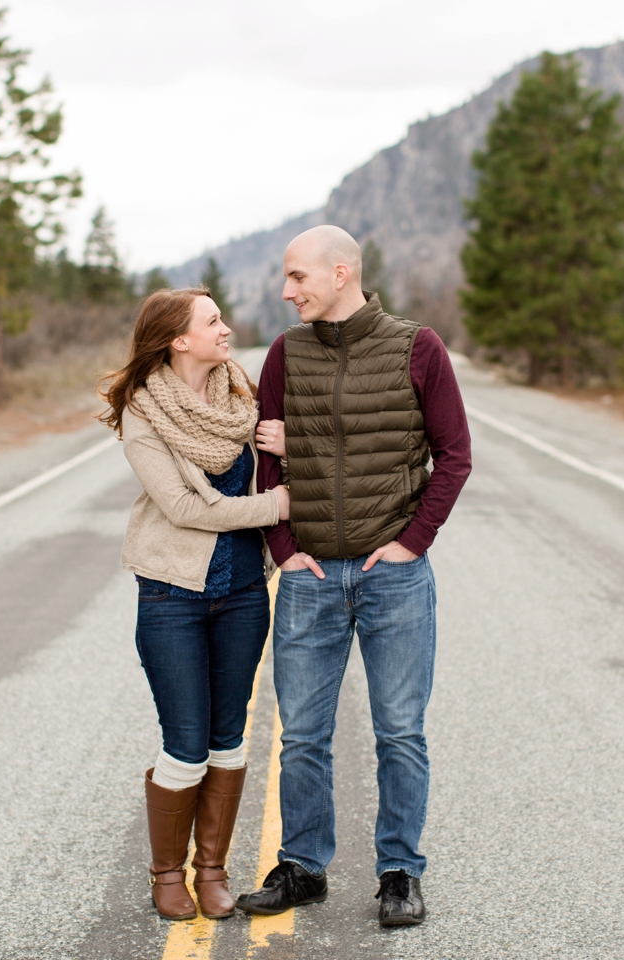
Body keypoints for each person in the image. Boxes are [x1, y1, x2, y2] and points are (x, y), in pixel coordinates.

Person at [235, 226, 472, 927]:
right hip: (309, 574)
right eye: (285, 278)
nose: (287, 291)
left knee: (400, 730)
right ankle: (303, 867)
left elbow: (453, 456)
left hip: (392, 576)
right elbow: (268, 457)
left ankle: (400, 871)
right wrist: (282, 548)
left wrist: (413, 543)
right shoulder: (286, 353)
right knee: (301, 734)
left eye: (298, 277)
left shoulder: (417, 348)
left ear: (341, 273)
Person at [99, 286, 291, 922]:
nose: (226, 329)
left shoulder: (243, 399)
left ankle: (212, 869)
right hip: (171, 596)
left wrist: (287, 453)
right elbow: (182, 509)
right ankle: (165, 873)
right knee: (184, 743)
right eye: (212, 322)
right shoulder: (143, 412)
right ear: (179, 340)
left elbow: (273, 468)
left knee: (228, 738)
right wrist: (275, 508)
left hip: (241, 594)